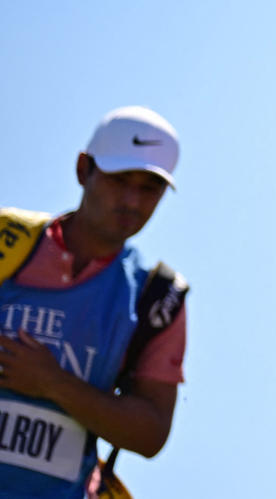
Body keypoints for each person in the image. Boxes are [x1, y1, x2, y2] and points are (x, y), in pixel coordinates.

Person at [0, 106, 188, 499]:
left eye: (149, 188)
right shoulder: (5, 241)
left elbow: (151, 432)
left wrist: (52, 383)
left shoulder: (156, 298)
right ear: (84, 169)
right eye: (120, 180)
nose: (132, 201)